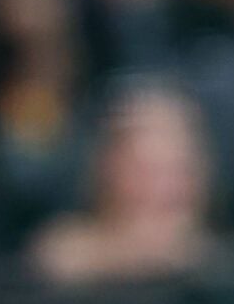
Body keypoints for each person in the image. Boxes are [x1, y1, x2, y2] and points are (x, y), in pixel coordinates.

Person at [28, 80, 221, 285]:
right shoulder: (67, 249)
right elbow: (60, 256)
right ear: (109, 169)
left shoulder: (216, 260)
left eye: (178, 171)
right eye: (145, 171)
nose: (162, 188)